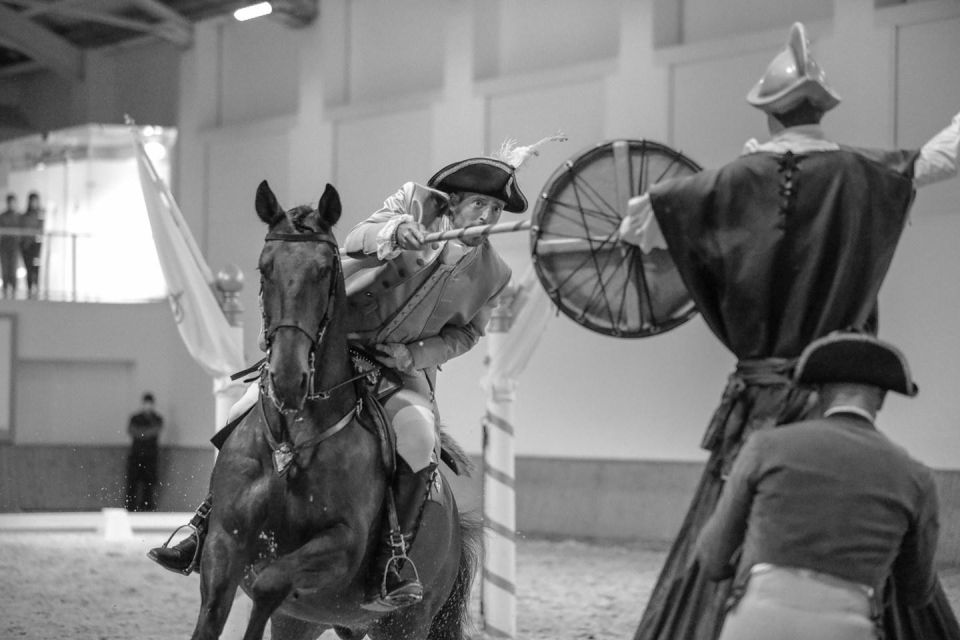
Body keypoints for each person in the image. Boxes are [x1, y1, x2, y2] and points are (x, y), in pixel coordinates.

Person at [617, 22, 960, 640]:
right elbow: (943, 155)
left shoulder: (712, 187)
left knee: (720, 534)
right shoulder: (868, 174)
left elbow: (636, 231)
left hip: (757, 409)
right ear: (821, 109)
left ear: (770, 114)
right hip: (832, 401)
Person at [149, 136, 562, 611]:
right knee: (245, 412)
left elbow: (467, 335)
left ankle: (394, 558)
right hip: (333, 345)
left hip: (397, 368)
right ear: (455, 203)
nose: (487, 219)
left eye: (495, 211)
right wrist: (397, 231)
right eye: (479, 206)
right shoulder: (413, 204)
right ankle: (203, 528)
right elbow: (357, 237)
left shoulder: (495, 273)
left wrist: (416, 356)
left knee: (417, 436)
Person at [696, 331, 939, 640]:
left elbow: (713, 557)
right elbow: (917, 591)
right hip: (847, 628)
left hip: (757, 622)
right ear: (880, 398)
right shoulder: (916, 477)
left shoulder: (765, 447)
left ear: (820, 393)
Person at [125, 392, 163, 512]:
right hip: (136, 455)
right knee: (132, 483)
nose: (148, 406)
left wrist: (142, 434)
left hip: (150, 457)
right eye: (146, 403)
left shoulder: (157, 418)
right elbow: (133, 431)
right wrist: (145, 434)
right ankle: (130, 507)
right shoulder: (135, 418)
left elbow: (154, 431)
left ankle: (147, 507)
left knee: (149, 484)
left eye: (149, 403)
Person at [19, 192, 44, 299]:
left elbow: (40, 229)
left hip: (36, 245)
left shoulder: (40, 215)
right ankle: (29, 289)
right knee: (28, 268)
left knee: (35, 267)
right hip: (26, 246)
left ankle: (36, 288)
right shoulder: (24, 216)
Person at [0, 194, 20, 299]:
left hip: (14, 247)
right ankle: (5, 290)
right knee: (5, 269)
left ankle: (13, 291)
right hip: (4, 247)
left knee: (13, 269)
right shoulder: (2, 216)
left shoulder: (18, 217)